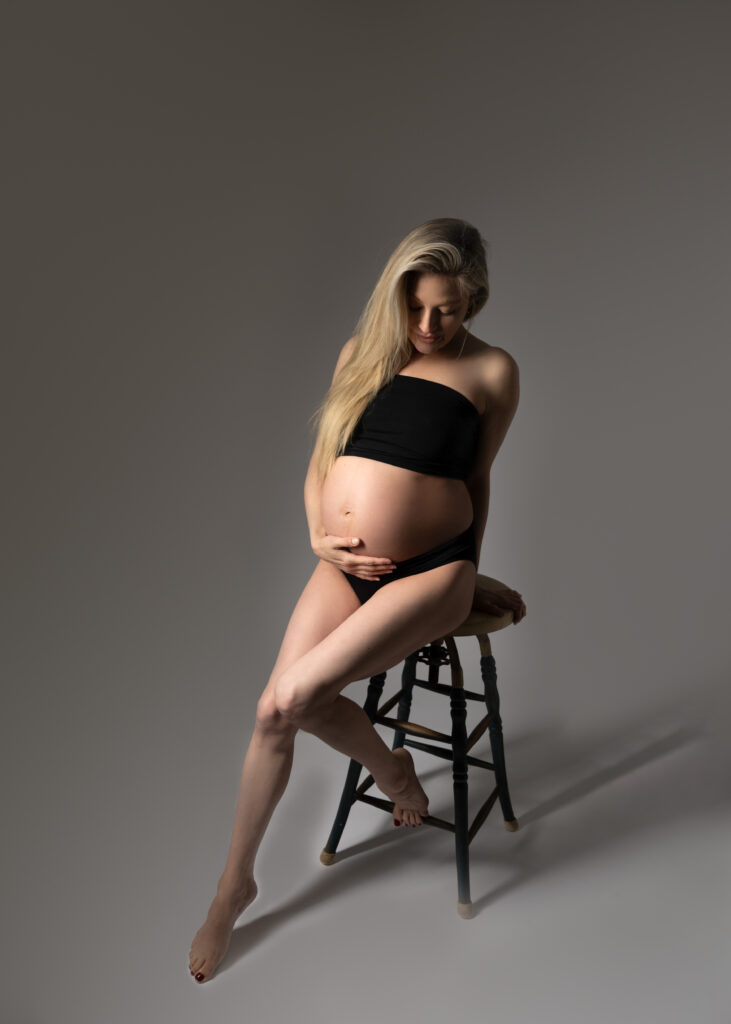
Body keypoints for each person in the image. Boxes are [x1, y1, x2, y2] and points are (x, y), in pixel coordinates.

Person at [188, 217, 526, 983]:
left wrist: (470, 574)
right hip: (346, 567)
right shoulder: (362, 354)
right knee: (272, 711)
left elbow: (475, 482)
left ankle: (393, 775)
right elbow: (323, 457)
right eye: (414, 308)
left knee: (301, 694)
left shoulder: (493, 372)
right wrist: (318, 532)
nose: (428, 325)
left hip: (429, 571)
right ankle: (232, 886)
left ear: (473, 297)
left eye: (446, 307)